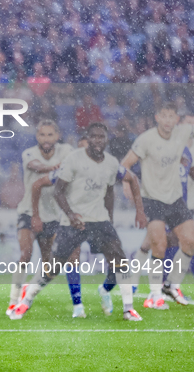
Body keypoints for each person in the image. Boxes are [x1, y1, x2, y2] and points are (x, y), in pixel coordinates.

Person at [10, 123, 147, 322]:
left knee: (121, 263)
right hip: (73, 222)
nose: (98, 140)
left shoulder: (110, 162)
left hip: (99, 220)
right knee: (53, 267)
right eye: (94, 137)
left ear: (106, 140)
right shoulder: (73, 159)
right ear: (88, 139)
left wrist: (139, 211)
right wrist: (71, 214)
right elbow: (58, 191)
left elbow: (132, 179)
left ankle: (128, 309)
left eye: (102, 137)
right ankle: (26, 300)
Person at [121, 103, 194, 306]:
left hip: (175, 199)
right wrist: (127, 186)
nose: (167, 120)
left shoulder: (183, 133)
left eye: (171, 116)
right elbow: (125, 164)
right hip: (152, 199)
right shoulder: (146, 139)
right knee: (159, 244)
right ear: (157, 117)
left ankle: (171, 285)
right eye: (164, 116)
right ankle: (154, 295)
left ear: (176, 119)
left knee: (191, 242)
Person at [9, 120, 73, 316]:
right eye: (42, 135)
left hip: (53, 215)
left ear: (57, 136)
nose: (46, 139)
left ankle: (30, 292)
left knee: (51, 265)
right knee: (25, 254)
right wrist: (58, 167)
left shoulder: (66, 150)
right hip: (28, 212)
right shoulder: (29, 153)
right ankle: (13, 301)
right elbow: (36, 167)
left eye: (50, 135)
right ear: (37, 137)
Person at [29, 136, 87, 318]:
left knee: (115, 257)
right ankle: (78, 305)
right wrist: (36, 214)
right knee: (68, 259)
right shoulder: (69, 168)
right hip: (71, 219)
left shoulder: (103, 167)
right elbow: (37, 184)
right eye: (82, 148)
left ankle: (108, 292)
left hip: (97, 219)